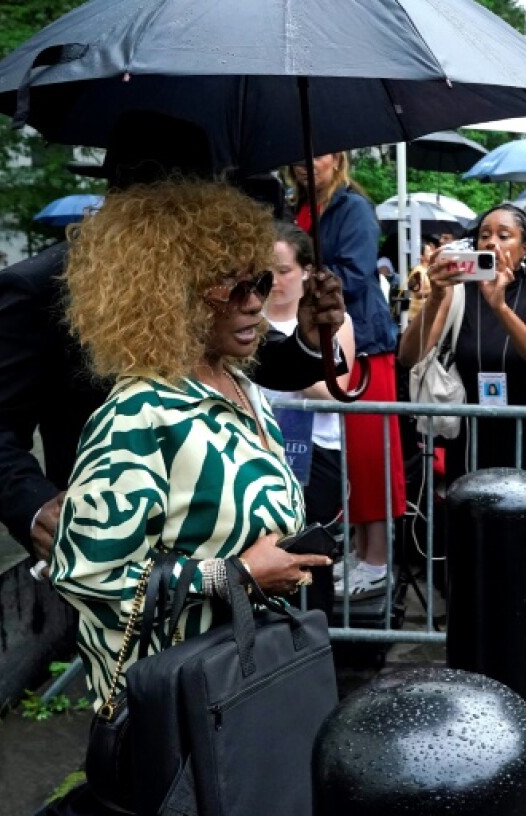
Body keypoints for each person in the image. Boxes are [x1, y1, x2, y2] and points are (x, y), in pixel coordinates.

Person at [0, 111, 344, 574]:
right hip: (117, 550)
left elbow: (269, 359)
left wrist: (312, 338)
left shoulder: (213, 271)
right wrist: (35, 507)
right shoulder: (38, 287)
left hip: (222, 541)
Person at [51, 179, 333, 709]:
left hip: (242, 685)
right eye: (232, 289)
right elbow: (87, 576)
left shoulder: (245, 389)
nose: (256, 303)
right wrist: (235, 575)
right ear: (170, 297)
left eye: (260, 281)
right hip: (174, 709)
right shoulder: (137, 417)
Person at [294, 152, 405, 600]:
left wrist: (299, 278)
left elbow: (355, 275)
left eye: (316, 154)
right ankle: (361, 551)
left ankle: (377, 559)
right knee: (347, 455)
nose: (304, 162)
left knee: (369, 452)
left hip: (364, 343)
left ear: (338, 158)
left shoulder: (352, 207)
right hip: (327, 338)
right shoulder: (300, 205)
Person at [398, 203, 526, 482]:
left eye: (504, 235)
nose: (491, 242)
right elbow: (408, 356)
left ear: (524, 249)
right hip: (469, 441)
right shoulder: (458, 292)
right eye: (484, 235)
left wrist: (500, 307)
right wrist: (436, 296)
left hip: (525, 439)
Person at [263, 221, 357, 530]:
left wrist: (298, 358)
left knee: (311, 538)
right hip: (260, 442)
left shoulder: (334, 320)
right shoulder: (250, 319)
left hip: (315, 447)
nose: (273, 281)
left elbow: (334, 392)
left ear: (306, 271)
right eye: (265, 271)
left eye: (283, 271)